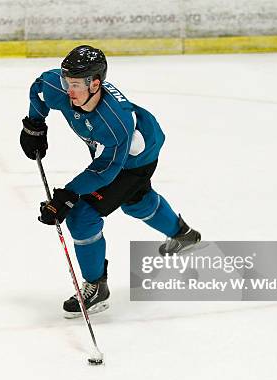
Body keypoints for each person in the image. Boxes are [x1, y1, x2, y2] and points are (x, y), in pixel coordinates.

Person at [20, 45, 201, 318]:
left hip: (136, 157)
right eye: (67, 81)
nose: (69, 90)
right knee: (136, 201)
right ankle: (183, 235)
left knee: (82, 215)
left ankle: (97, 288)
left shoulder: (115, 122)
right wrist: (35, 125)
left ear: (96, 84)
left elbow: (105, 170)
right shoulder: (59, 87)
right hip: (118, 151)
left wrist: (67, 195)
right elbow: (39, 89)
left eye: (77, 84)